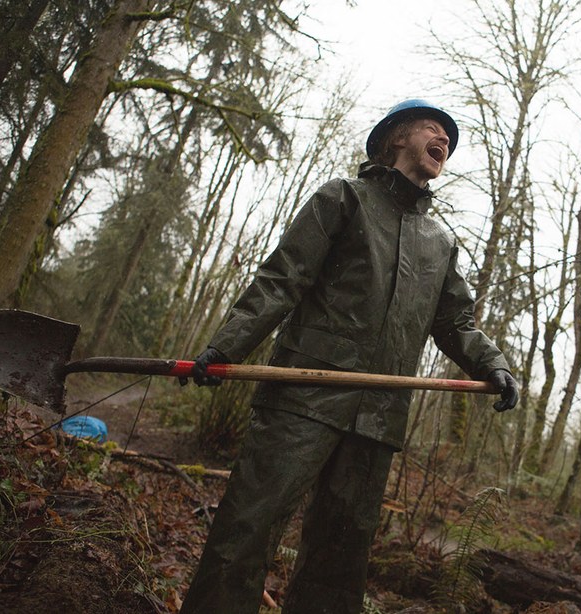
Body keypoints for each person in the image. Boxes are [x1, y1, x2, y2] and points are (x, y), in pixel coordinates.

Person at [179, 99, 519, 614]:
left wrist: (494, 365)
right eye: (433, 129)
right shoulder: (343, 198)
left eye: (449, 139)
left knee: (340, 563)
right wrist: (227, 346)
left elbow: (456, 324)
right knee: (248, 528)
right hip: (303, 395)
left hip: (379, 417)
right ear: (396, 138)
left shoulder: (439, 242)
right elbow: (282, 278)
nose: (443, 141)